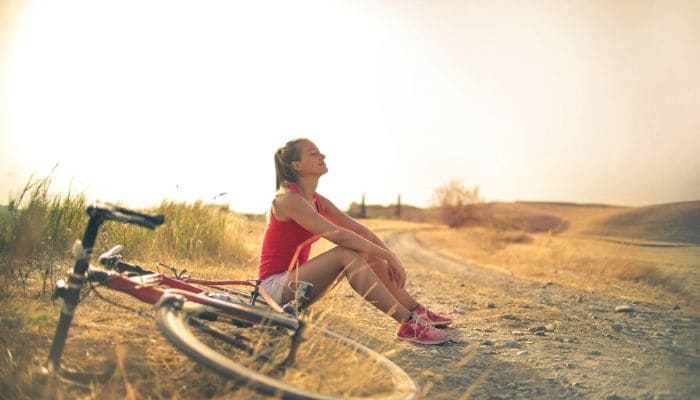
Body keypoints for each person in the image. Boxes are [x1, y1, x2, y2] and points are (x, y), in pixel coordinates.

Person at [258, 138, 452, 345]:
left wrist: (390, 256)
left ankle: (416, 311)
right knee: (345, 253)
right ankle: (407, 323)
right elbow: (339, 235)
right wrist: (387, 255)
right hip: (272, 290)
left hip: (298, 288)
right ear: (296, 166)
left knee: (366, 252)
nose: (322, 156)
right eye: (313, 153)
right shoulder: (287, 199)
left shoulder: (317, 200)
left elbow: (358, 230)